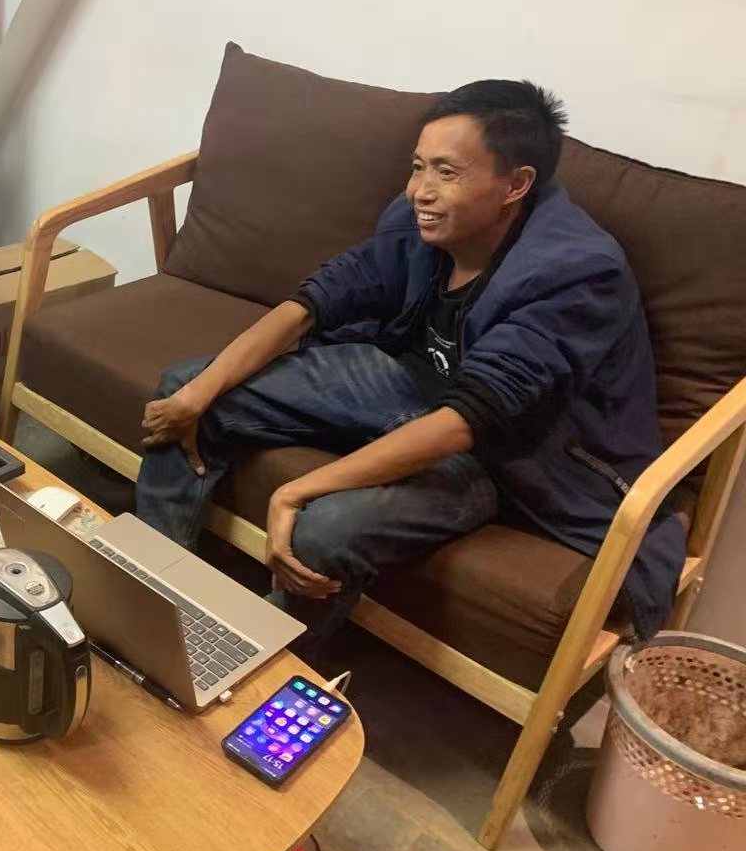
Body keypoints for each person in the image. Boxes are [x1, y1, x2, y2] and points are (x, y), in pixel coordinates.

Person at [136, 80, 685, 659]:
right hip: (410, 382)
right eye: (418, 166)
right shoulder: (419, 221)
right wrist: (197, 394)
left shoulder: (575, 272)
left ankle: (252, 668)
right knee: (185, 394)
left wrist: (295, 491)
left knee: (324, 529)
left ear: (516, 184)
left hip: (508, 454)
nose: (421, 190)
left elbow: (470, 419)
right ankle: (151, 600)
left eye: (447, 172)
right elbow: (315, 301)